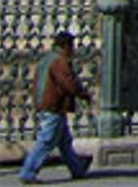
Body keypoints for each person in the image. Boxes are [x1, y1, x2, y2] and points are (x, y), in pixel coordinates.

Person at [20, 31, 93, 183]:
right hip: (54, 106)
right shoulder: (60, 62)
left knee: (64, 142)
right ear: (65, 46)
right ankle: (28, 171)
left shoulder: (47, 59)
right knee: (46, 140)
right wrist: (83, 94)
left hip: (49, 105)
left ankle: (77, 168)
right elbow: (69, 83)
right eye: (71, 46)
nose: (73, 50)